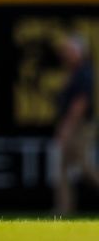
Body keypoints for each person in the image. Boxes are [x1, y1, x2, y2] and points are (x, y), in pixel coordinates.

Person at [54, 33, 99, 215]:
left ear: (78, 52)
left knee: (83, 165)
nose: (65, 54)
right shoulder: (74, 72)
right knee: (62, 168)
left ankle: (63, 209)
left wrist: (67, 127)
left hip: (80, 126)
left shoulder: (84, 72)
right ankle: (63, 210)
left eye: (69, 50)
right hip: (75, 125)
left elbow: (80, 104)